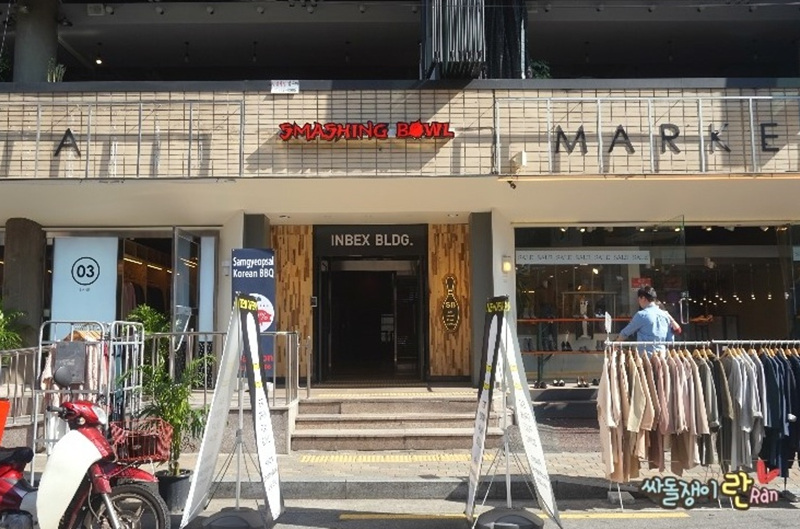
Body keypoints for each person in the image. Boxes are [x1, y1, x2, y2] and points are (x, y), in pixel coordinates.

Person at [616, 286, 672, 355]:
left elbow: (626, 332)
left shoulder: (642, 315)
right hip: (662, 355)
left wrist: (616, 343)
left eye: (639, 299)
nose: (638, 302)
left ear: (643, 298)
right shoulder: (665, 315)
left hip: (647, 355)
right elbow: (670, 339)